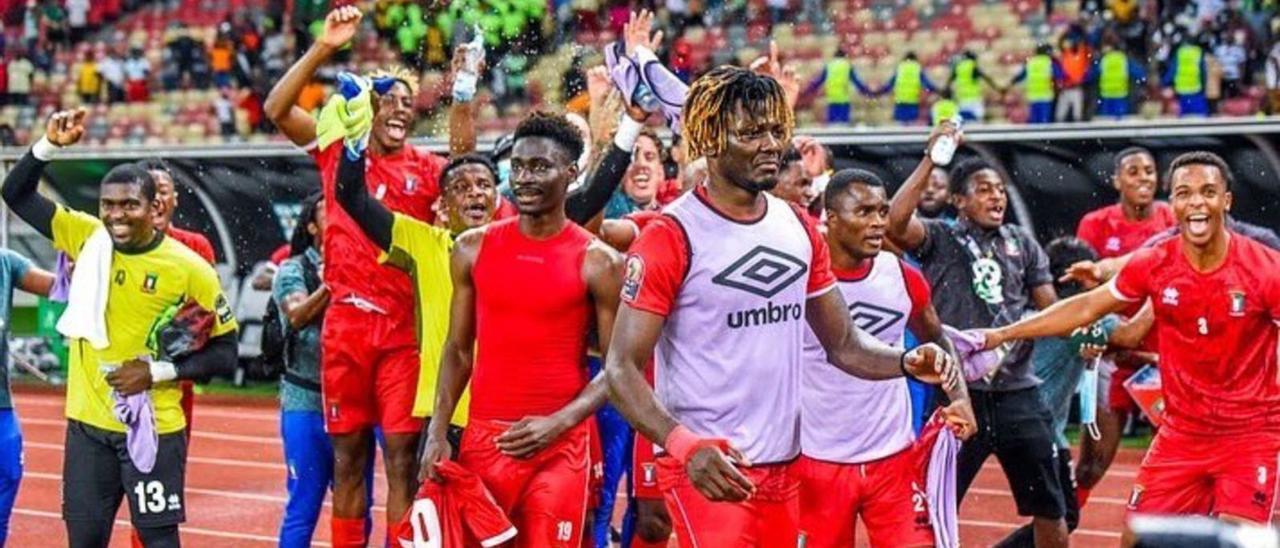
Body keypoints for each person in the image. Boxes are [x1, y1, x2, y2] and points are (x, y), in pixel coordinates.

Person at [603, 66, 957, 548]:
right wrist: (685, 446)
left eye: (775, 130)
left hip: (787, 469)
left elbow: (845, 345)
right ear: (709, 138)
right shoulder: (672, 235)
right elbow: (621, 366)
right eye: (750, 133)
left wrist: (904, 362)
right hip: (710, 472)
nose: (770, 144)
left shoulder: (798, 227)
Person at [982, 151, 1280, 545]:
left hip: (1250, 435)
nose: (1196, 203)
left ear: (1226, 201)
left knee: (1234, 540)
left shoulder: (1265, 268)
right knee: (1135, 540)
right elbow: (1086, 305)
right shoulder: (1154, 262)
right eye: (1184, 193)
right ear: (1170, 202)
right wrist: (1004, 334)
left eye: (1208, 192)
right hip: (1181, 434)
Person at [263, 7, 478, 544]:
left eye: (410, 103)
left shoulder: (427, 171)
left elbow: (464, 158)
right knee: (348, 462)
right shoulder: (338, 153)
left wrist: (463, 91)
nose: (401, 110)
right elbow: (276, 108)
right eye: (390, 101)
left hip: (402, 336)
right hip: (345, 332)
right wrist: (324, 47)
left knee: (403, 461)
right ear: (370, 107)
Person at [1, 109, 238, 547]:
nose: (117, 215)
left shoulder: (190, 268)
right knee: (85, 541)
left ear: (155, 207)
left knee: (159, 541)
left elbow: (227, 351)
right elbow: (15, 193)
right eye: (108, 205)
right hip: (87, 429)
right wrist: (48, 146)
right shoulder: (86, 236)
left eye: (130, 204)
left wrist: (156, 373)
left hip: (155, 429)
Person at [418, 112, 623, 547]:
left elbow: (619, 367)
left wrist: (560, 422)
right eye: (519, 166)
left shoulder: (600, 262)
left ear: (570, 173)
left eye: (540, 167)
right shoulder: (472, 249)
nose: (525, 178)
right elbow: (457, 350)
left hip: (560, 446)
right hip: (484, 443)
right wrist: (438, 432)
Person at [886, 150, 1067, 547]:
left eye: (1000, 190)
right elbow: (895, 221)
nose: (996, 197)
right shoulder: (939, 236)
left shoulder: (1023, 242)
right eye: (984, 190)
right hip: (956, 395)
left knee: (1053, 510)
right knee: (934, 506)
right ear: (958, 200)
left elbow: (1052, 310)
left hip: (1019, 392)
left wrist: (1086, 328)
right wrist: (932, 159)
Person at [798, 168, 976, 548]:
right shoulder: (795, 283)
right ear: (830, 218)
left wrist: (960, 398)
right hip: (817, 461)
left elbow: (938, 338)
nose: (878, 222)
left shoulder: (901, 276)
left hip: (893, 459)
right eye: (863, 212)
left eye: (882, 211)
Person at [0, 248, 52, 545]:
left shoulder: (6, 263)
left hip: (1, 404)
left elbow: (59, 287)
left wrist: (83, 268)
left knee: (8, 474)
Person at [802, 48, 875, 124]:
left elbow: (818, 82)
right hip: (844, 100)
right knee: (843, 125)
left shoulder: (829, 66)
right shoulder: (847, 66)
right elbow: (857, 82)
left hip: (832, 99)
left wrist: (807, 91)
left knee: (833, 125)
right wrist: (868, 92)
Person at [1088, 39, 1147, 119]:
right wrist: (1144, 79)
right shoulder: (1123, 59)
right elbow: (1138, 72)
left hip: (1107, 94)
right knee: (1120, 120)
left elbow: (1093, 74)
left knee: (1106, 121)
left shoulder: (1104, 59)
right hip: (1120, 93)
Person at [1009, 45, 1066, 124]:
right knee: (1045, 121)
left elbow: (1021, 76)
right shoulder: (1049, 62)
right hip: (1046, 95)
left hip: (1033, 96)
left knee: (1034, 122)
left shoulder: (1031, 62)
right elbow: (1060, 76)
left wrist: (1010, 83)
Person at [877, 52, 939, 125]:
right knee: (910, 126)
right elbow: (927, 84)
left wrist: (880, 91)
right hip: (912, 101)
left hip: (900, 100)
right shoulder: (917, 68)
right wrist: (937, 90)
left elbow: (890, 83)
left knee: (900, 126)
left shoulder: (900, 68)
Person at [947, 50, 998, 122]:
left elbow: (949, 81)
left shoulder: (958, 67)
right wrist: (997, 88)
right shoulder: (973, 66)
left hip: (962, 97)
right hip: (974, 98)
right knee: (978, 119)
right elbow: (986, 78)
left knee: (964, 119)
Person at [1164, 38, 1209, 117]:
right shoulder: (1198, 52)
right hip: (1196, 91)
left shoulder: (1179, 52)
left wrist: (1165, 83)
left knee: (1182, 122)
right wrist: (1204, 87)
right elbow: (1203, 72)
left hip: (1181, 92)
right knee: (1200, 120)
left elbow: (1172, 70)